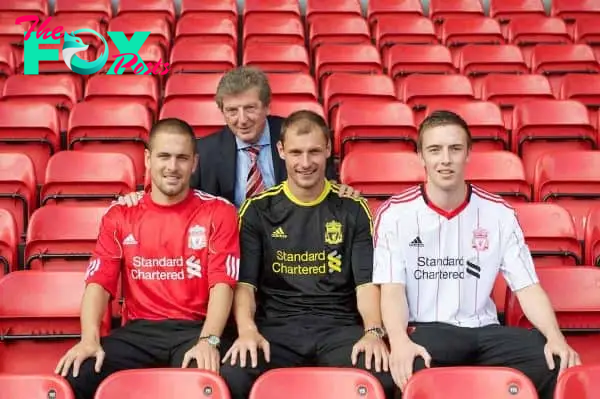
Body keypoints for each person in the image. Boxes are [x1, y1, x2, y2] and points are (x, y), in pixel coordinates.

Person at [372, 110, 581, 399]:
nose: (445, 159)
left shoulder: (499, 213)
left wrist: (556, 337)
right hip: (427, 331)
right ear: (421, 156)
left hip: (485, 330)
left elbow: (528, 287)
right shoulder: (395, 214)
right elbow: (392, 290)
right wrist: (398, 340)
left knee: (554, 362)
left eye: (455, 149)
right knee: (407, 367)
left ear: (468, 153)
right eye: (435, 150)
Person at [55, 118, 242, 399]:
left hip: (195, 328)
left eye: (182, 158)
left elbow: (223, 284)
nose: (172, 167)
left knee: (229, 379)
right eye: (164, 156)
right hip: (140, 331)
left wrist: (209, 340)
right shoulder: (120, 215)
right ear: (148, 158)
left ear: (194, 163)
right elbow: (98, 284)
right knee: (74, 375)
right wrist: (89, 340)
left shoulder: (219, 212)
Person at [222, 110, 396, 399]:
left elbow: (366, 284)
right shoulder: (256, 210)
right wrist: (247, 330)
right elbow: (245, 285)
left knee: (383, 376)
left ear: (328, 148)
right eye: (296, 152)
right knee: (232, 375)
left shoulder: (352, 209)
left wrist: (373, 331)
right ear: (280, 151)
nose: (305, 163)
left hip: (339, 328)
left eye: (314, 151)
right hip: (276, 330)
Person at [118, 66, 356, 209]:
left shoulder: (298, 139)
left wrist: (344, 192)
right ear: (222, 111)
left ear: (267, 107)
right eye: (232, 111)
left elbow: (326, 189)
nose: (242, 120)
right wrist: (140, 199)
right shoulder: (205, 152)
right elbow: (176, 196)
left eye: (250, 108)